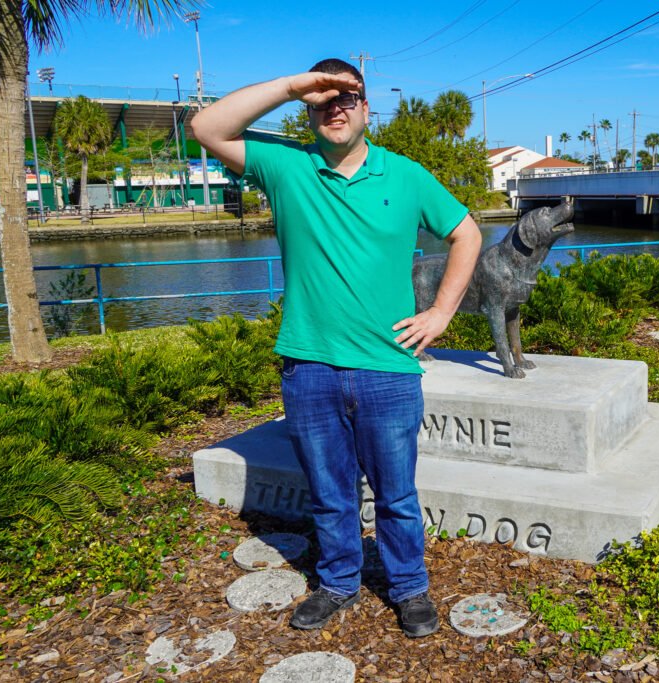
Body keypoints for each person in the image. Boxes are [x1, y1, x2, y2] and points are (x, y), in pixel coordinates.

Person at [191, 58, 481, 638]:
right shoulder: (286, 166)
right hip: (310, 367)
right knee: (329, 494)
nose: (336, 108)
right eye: (324, 101)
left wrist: (441, 313)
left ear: (367, 109)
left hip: (387, 369)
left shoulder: (406, 175)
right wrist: (297, 84)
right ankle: (340, 583)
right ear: (310, 111)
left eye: (348, 98)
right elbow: (206, 128)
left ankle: (409, 588)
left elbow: (466, 233)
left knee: (397, 494)